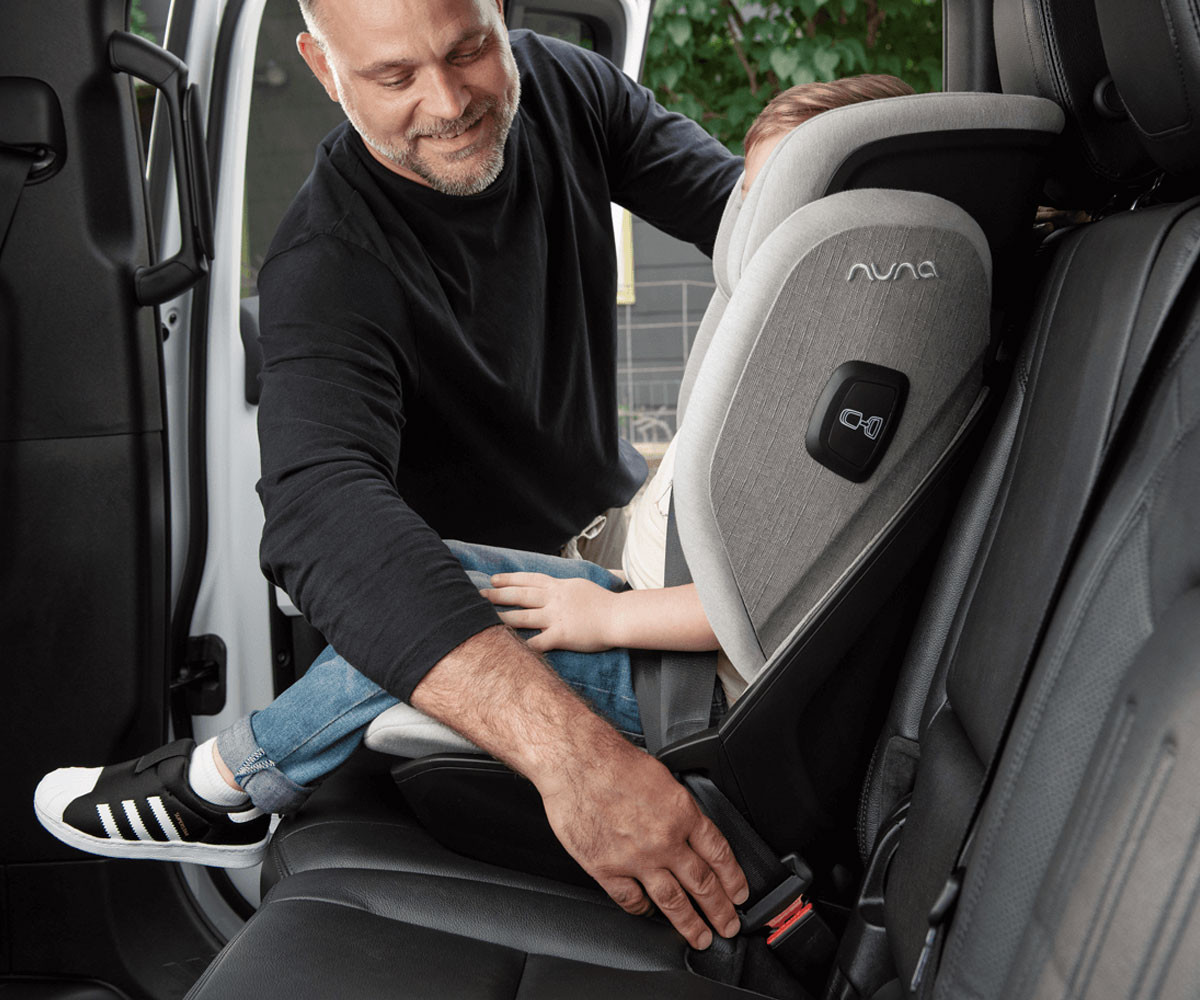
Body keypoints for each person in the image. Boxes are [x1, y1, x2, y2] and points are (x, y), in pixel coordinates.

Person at [35, 12, 910, 948]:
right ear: (323, 68)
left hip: (635, 577)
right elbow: (321, 515)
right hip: (549, 591)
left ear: (501, 12)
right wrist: (574, 756)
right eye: (395, 76)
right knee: (419, 595)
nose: (449, 102)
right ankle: (226, 783)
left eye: (468, 50)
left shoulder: (568, 90)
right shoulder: (326, 262)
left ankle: (221, 784)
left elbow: (766, 235)